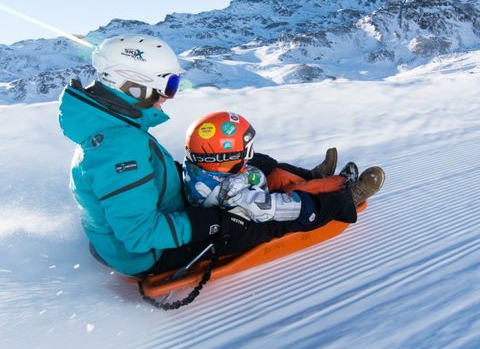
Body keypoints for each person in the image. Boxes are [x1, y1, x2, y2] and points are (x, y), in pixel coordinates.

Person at [58, 34, 385, 279]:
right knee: (258, 221)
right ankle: (341, 201)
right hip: (150, 254)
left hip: (165, 211)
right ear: (133, 87)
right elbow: (140, 235)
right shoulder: (118, 148)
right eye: (168, 85)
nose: (169, 97)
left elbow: (137, 185)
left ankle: (310, 178)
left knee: (250, 162)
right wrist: (216, 222)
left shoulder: (116, 129)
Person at [182, 111, 370, 223]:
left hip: (246, 185)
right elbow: (278, 206)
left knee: (275, 170)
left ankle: (314, 175)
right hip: (258, 205)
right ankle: (344, 192)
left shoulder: (198, 168)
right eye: (245, 152)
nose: (249, 155)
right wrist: (299, 193)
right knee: (299, 192)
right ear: (223, 158)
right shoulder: (241, 199)